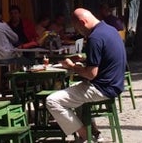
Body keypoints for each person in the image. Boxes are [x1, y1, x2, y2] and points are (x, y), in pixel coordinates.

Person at [46, 8, 126, 143]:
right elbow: (105, 58)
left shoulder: (94, 38)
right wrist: (84, 60)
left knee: (52, 100)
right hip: (115, 84)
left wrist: (71, 66)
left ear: (83, 22)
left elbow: (91, 74)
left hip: (102, 88)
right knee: (75, 92)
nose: (79, 32)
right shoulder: (109, 30)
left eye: (79, 29)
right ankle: (94, 132)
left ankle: (86, 136)